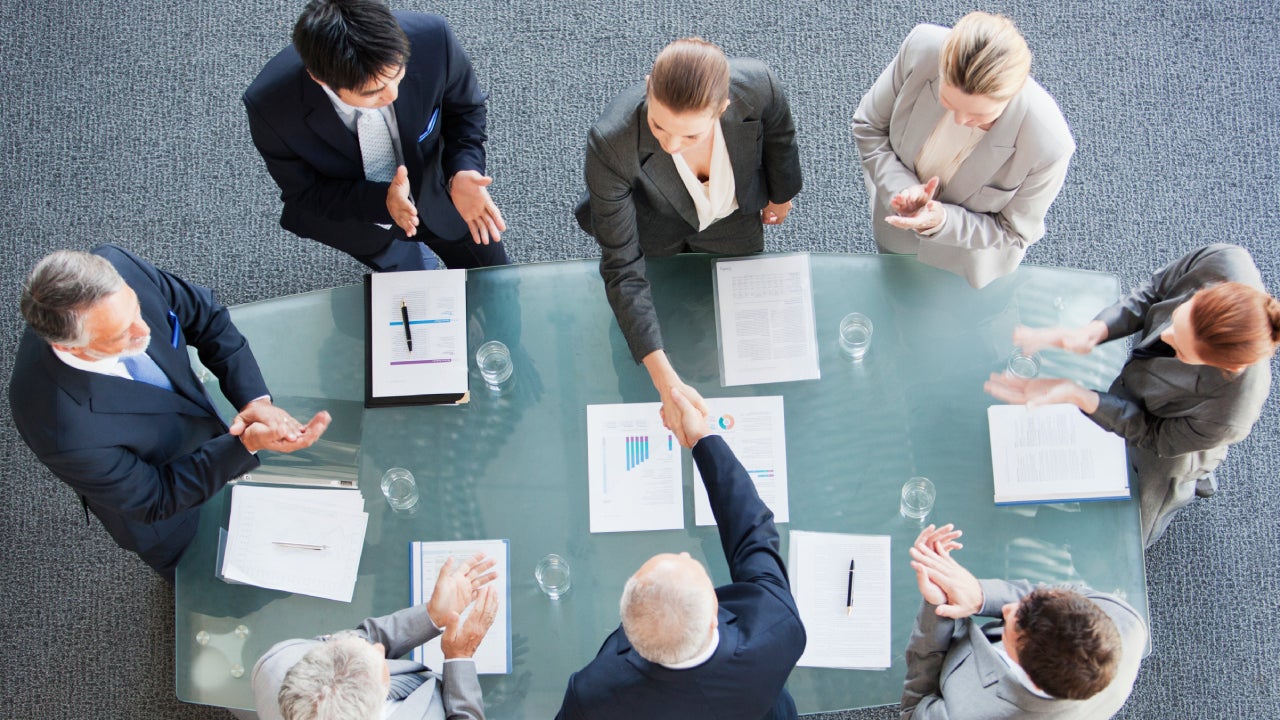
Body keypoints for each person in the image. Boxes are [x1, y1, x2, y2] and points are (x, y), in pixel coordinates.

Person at [8, 246, 330, 582]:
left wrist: (255, 402)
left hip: (197, 427)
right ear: (70, 347)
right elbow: (156, 498)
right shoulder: (60, 427)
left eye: (136, 309)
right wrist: (244, 444)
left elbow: (206, 317)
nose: (143, 330)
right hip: (169, 515)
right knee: (211, 582)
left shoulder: (117, 266)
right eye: (121, 334)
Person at [575, 37, 802, 444]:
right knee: (651, 314)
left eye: (691, 136)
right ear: (649, 87)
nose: (671, 146)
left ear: (724, 108)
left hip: (732, 220)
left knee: (739, 315)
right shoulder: (611, 142)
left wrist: (782, 195)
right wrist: (667, 385)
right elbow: (623, 269)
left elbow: (780, 135)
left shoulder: (758, 85)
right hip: (654, 228)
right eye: (659, 126)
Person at [985, 243, 1279, 546]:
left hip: (1169, 451)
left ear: (1223, 368)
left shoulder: (1230, 414)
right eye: (1178, 320)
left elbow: (1154, 435)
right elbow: (1155, 292)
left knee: (1134, 528)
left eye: (1180, 349)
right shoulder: (1223, 260)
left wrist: (1078, 395)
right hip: (1157, 404)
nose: (1164, 335)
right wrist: (1095, 331)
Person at [556, 389, 806, 719]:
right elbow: (753, 533)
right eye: (692, 565)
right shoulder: (774, 629)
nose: (686, 554)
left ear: (629, 632)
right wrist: (703, 438)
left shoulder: (594, 692)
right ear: (714, 618)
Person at [244, 0, 508, 273]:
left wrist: (463, 170)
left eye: (397, 74)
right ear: (320, 79)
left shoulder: (433, 39)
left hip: (444, 193)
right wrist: (383, 202)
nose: (392, 94)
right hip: (362, 218)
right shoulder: (271, 109)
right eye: (372, 93)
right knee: (410, 283)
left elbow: (465, 110)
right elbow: (306, 192)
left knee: (493, 276)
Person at [852, 12, 1074, 289]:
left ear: (1013, 94)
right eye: (948, 101)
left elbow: (1012, 232)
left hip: (965, 264)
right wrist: (902, 188)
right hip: (895, 234)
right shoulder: (922, 48)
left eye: (979, 116)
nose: (959, 121)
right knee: (893, 286)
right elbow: (869, 126)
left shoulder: (1049, 145)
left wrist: (942, 221)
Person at [901, 524, 1146, 719]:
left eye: (1013, 627)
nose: (1006, 608)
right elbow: (1067, 591)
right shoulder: (1126, 621)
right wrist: (981, 597)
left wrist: (937, 606)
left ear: (1029, 675)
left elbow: (914, 710)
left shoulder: (967, 712)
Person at [253, 552, 500, 720]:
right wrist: (460, 657)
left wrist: (432, 616)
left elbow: (364, 637)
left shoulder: (278, 662)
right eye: (378, 661)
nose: (378, 647)